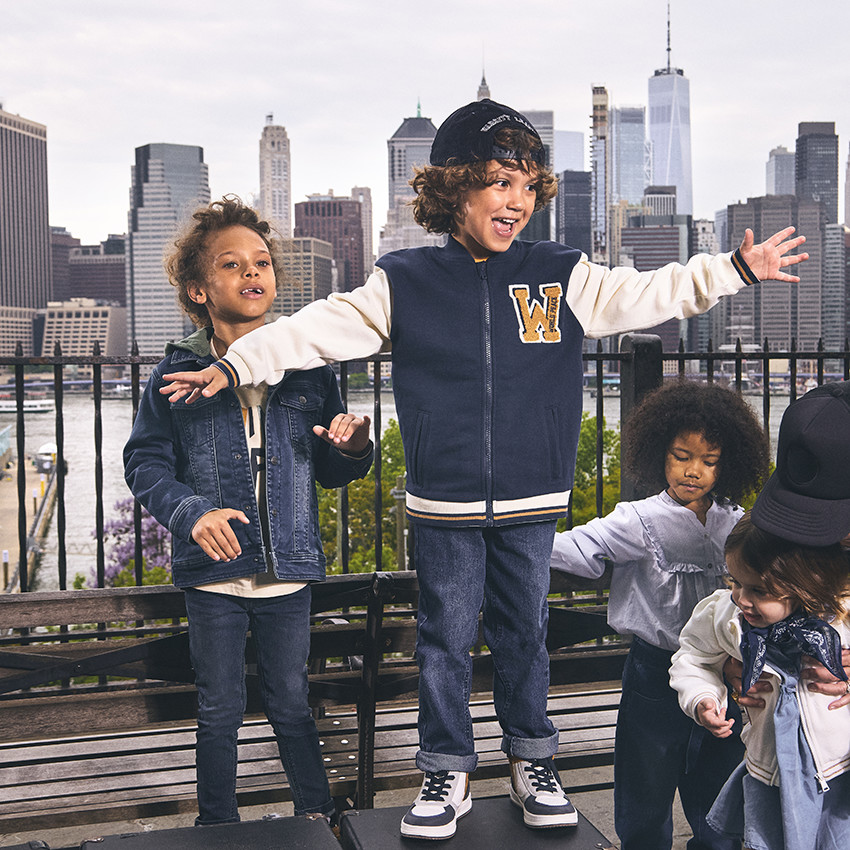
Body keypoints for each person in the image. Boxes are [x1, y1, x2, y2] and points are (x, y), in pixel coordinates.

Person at [157, 99, 807, 840]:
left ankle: (533, 762)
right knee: (442, 637)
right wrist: (236, 363)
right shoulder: (403, 280)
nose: (517, 201)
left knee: (525, 634)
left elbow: (645, 293)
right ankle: (448, 769)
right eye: (500, 182)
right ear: (455, 187)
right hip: (444, 506)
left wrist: (732, 270)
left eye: (528, 186)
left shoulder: (561, 274)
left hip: (532, 502)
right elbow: (318, 328)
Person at [123, 197, 374, 826]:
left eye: (261, 263)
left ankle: (318, 820)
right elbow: (144, 463)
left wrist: (354, 448)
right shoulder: (174, 372)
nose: (253, 274)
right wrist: (190, 512)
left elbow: (333, 471)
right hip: (214, 571)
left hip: (288, 568)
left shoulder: (308, 368)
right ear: (199, 289)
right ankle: (218, 828)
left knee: (291, 703)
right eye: (232, 265)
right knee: (220, 709)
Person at [549, 380, 769, 850]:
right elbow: (572, 548)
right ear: (658, 454)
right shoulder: (637, 519)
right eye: (680, 455)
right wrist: (510, 538)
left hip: (727, 675)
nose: (694, 471)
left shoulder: (739, 522)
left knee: (721, 808)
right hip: (654, 674)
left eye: (709, 461)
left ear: (728, 465)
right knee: (643, 803)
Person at [670, 512, 850, 850]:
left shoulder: (839, 618)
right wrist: (702, 697)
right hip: (770, 773)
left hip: (838, 772)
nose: (742, 598)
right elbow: (693, 657)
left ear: (803, 585)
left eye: (759, 590)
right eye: (734, 582)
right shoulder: (725, 618)